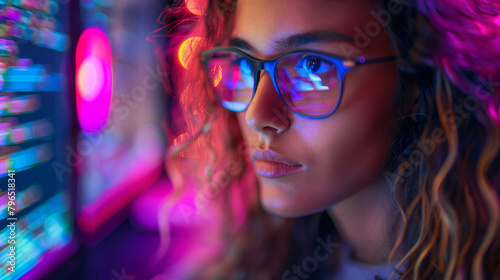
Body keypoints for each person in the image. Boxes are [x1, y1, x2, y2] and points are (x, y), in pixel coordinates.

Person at [150, 0, 500, 279]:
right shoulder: (265, 257)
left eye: (311, 67)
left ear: (415, 82)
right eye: (244, 66)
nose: (258, 115)